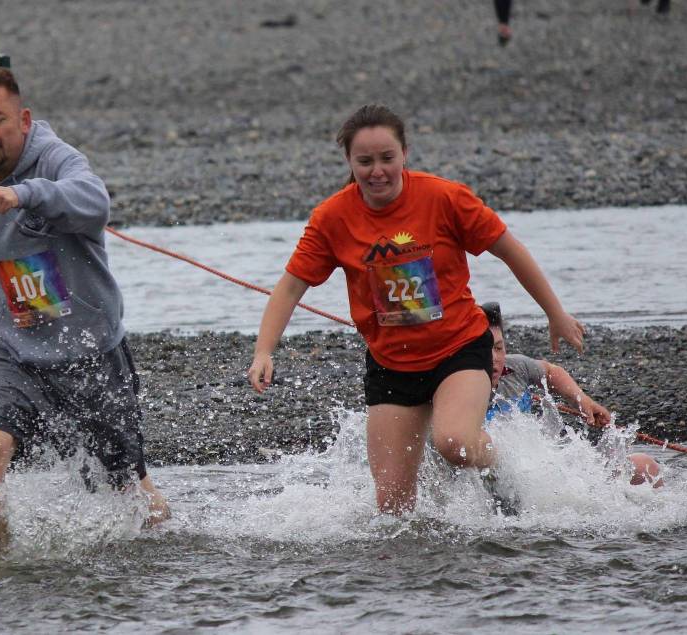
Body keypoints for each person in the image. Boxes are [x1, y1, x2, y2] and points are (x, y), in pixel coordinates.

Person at [247, 104, 584, 515]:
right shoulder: (332, 218)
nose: (377, 171)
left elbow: (509, 250)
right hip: (392, 366)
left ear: (405, 152)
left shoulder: (444, 197)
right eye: (365, 161)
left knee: (455, 443)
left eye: (387, 158)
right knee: (392, 508)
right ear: (349, 161)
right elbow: (289, 287)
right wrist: (264, 350)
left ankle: (508, 467)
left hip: (458, 350)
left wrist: (556, 313)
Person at [0, 67, 169, 552]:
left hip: (92, 353)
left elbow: (95, 201)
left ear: (22, 119)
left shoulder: (57, 159)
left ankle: (167, 555)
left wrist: (23, 194)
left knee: (130, 495)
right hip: (15, 354)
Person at [482, 302, 663, 487]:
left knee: (644, 466)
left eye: (498, 347)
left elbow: (551, 372)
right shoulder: (455, 388)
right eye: (484, 348)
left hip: (540, 474)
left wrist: (582, 400)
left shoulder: (516, 367)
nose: (494, 358)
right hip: (492, 482)